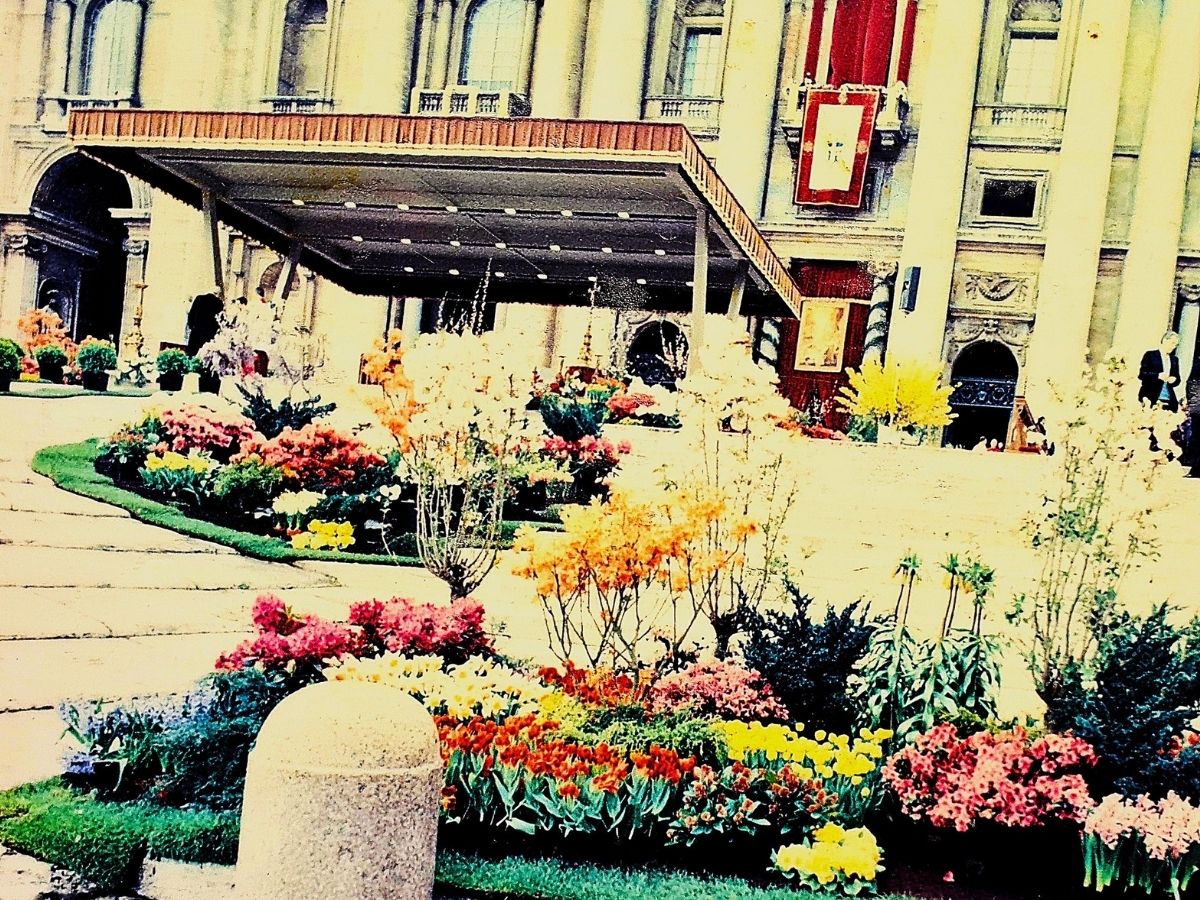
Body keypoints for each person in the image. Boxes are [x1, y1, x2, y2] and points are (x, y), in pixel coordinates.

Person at [1138, 331, 1182, 412]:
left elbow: (1178, 380)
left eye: (1176, 345)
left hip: (1168, 399)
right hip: (1151, 397)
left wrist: (1174, 380)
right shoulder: (1150, 355)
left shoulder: (1174, 360)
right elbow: (1142, 374)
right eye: (1172, 343)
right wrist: (1157, 376)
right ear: (1165, 340)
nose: (1173, 347)